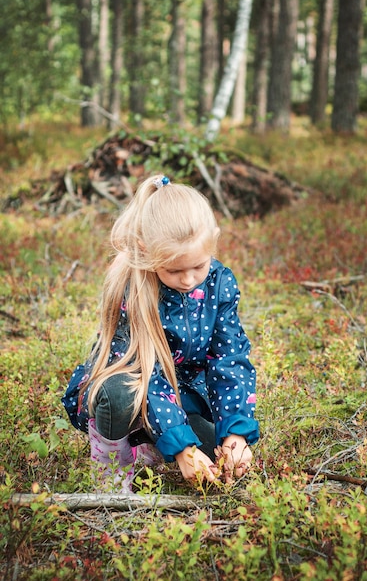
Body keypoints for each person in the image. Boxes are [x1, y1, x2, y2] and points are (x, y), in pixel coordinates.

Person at [62, 174, 259, 492]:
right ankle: (111, 460)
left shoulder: (220, 283)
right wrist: (182, 448)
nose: (188, 280)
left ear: (214, 241)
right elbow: (148, 373)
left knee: (214, 457)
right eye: (174, 270)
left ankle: (150, 445)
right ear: (145, 250)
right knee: (118, 397)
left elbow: (229, 359)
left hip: (184, 390)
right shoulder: (135, 289)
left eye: (198, 266)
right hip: (131, 380)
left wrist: (235, 430)